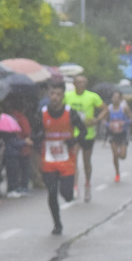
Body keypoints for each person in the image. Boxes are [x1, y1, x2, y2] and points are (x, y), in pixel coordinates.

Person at [35, 83, 87, 235]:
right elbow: (35, 132)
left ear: (63, 96)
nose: (55, 97)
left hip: (66, 160)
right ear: (49, 95)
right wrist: (38, 137)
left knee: (67, 194)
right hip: (49, 160)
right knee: (51, 192)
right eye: (52, 94)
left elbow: (83, 131)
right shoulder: (42, 113)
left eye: (58, 94)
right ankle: (57, 223)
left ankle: (69, 194)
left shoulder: (70, 113)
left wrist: (73, 140)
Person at [63, 75, 106, 202]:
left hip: (88, 133)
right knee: (74, 159)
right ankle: (75, 186)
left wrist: (97, 119)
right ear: (74, 84)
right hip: (73, 133)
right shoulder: (68, 96)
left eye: (83, 82)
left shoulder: (92, 96)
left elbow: (105, 108)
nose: (81, 84)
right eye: (79, 82)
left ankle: (87, 183)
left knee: (86, 161)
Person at [106, 91, 131, 182]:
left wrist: (124, 122)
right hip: (113, 134)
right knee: (115, 154)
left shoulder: (124, 108)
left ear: (120, 99)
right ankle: (117, 173)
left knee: (122, 156)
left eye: (117, 97)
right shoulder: (109, 108)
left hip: (123, 134)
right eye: (114, 97)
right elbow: (104, 120)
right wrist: (109, 125)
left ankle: (121, 151)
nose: (115, 99)